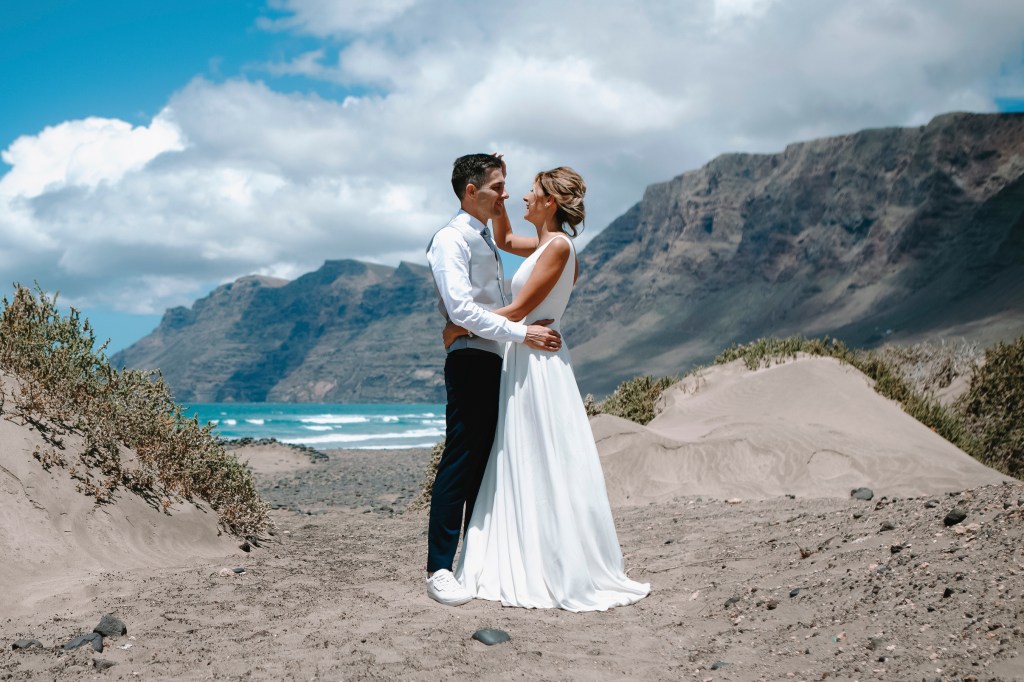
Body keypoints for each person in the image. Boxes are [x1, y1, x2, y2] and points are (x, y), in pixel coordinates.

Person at [447, 165, 651, 612]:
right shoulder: (543, 244)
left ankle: (557, 563)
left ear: (549, 202)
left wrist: (460, 328)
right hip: (525, 356)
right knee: (526, 455)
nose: (522, 197)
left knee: (544, 456)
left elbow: (520, 309)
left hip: (539, 361)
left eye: (531, 192)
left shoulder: (558, 247)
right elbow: (502, 241)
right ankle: (530, 547)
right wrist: (496, 201)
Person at [424, 153, 563, 606]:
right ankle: (439, 570)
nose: (506, 193)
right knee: (461, 461)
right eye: (498, 186)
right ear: (471, 191)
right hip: (469, 358)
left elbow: (503, 236)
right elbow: (461, 310)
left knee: (485, 467)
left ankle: (472, 563)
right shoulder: (450, 240)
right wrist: (522, 333)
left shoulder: (485, 235)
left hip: (494, 359)